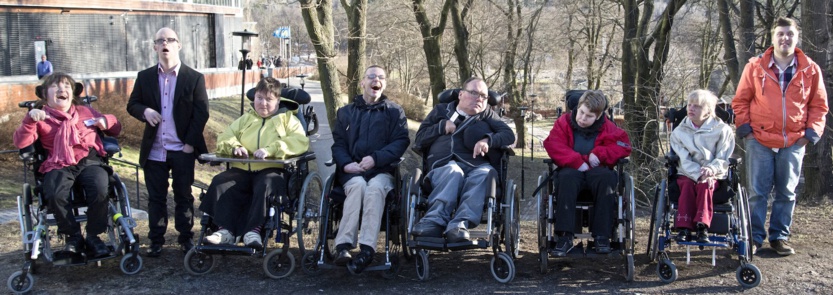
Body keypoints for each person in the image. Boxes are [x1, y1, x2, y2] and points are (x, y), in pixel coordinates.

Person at [732, 16, 828, 256]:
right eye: (780, 34)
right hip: (759, 140)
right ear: (773, 38)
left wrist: (811, 134)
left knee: (787, 192)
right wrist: (745, 129)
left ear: (797, 38)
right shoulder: (755, 67)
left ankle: (779, 238)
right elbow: (740, 100)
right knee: (757, 192)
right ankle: (753, 238)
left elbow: (819, 106)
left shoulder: (810, 69)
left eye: (790, 34)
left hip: (794, 141)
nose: (785, 38)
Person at [13, 73, 122, 258]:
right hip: (58, 163)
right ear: (46, 95)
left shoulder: (85, 111)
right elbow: (21, 142)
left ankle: (94, 236)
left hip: (89, 161)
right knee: (54, 193)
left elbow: (115, 128)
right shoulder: (41, 117)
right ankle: (73, 237)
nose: (62, 89)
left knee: (100, 187)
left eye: (66, 86)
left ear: (73, 93)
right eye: (55, 86)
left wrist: (106, 121)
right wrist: (29, 120)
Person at [126, 27, 209, 257]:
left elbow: (201, 113)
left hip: (182, 148)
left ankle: (185, 239)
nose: (165, 43)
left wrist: (190, 144)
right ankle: (156, 241)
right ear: (155, 47)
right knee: (156, 198)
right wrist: (145, 112)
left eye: (170, 39)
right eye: (160, 40)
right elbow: (132, 104)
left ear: (178, 45)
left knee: (183, 195)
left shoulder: (194, 78)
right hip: (155, 150)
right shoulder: (145, 77)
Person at [199, 77, 309, 250]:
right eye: (259, 98)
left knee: (266, 184)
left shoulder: (288, 120)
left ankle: (254, 231)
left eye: (268, 99)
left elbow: (299, 142)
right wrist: (235, 146)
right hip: (242, 169)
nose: (262, 103)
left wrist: (271, 149)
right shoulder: (246, 119)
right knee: (221, 181)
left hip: (272, 170)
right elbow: (225, 137)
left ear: (278, 101)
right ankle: (224, 230)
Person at [411, 77, 516, 243]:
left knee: (485, 174)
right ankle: (433, 221)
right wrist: (440, 127)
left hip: (476, 164)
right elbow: (420, 139)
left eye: (483, 96)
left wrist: (488, 140)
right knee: (453, 171)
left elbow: (509, 135)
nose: (479, 98)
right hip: (444, 164)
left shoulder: (487, 114)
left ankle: (459, 225)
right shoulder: (441, 111)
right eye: (474, 93)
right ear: (461, 94)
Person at [330, 65, 409, 273]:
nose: (377, 80)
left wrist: (375, 159)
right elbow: (338, 143)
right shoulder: (346, 112)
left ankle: (367, 249)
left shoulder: (394, 112)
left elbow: (400, 142)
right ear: (362, 82)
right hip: (352, 170)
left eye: (381, 77)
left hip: (382, 171)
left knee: (374, 188)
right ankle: (343, 246)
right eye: (372, 76)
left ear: (384, 84)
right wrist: (346, 163)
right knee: (357, 186)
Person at [541, 90, 631, 255]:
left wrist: (600, 153)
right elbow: (553, 144)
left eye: (589, 116)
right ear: (578, 107)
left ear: (598, 116)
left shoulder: (608, 127)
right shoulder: (564, 122)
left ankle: (602, 236)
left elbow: (624, 146)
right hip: (571, 169)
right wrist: (577, 161)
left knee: (606, 179)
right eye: (581, 112)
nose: (582, 119)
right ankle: (565, 237)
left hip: (597, 171)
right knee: (566, 178)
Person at [670, 90, 735, 243]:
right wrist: (698, 173)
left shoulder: (723, 130)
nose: (691, 109)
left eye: (697, 106)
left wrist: (711, 170)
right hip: (687, 173)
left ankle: (702, 226)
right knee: (687, 184)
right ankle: (683, 227)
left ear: (708, 110)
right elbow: (684, 160)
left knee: (705, 184)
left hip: (714, 175)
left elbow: (723, 156)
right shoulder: (679, 132)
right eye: (690, 105)